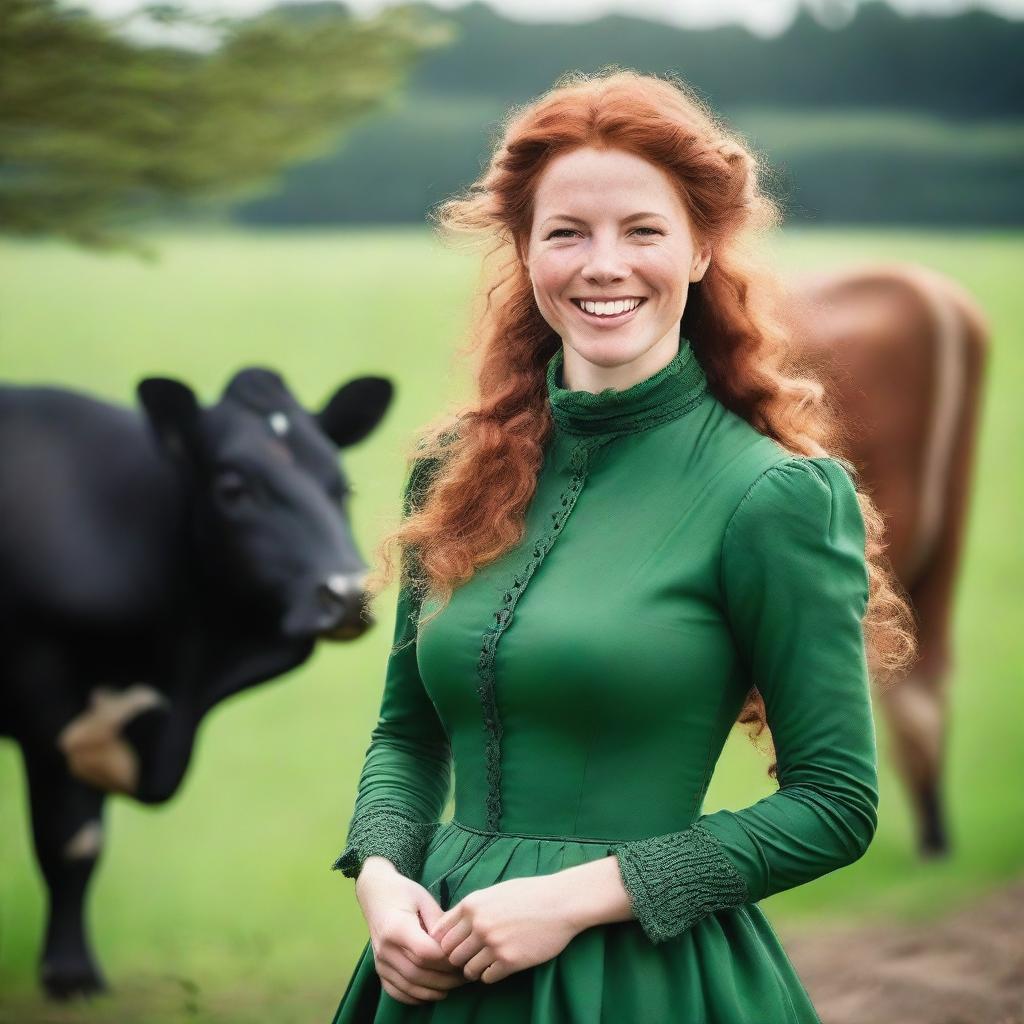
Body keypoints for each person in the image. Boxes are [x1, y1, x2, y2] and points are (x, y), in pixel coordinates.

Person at [327, 68, 916, 1023]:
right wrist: (385, 876)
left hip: (644, 983)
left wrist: (572, 898)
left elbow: (836, 804)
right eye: (567, 232)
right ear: (524, 253)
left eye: (643, 231)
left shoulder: (773, 495)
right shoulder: (450, 468)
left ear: (701, 250)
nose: (605, 265)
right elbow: (407, 731)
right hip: (434, 970)